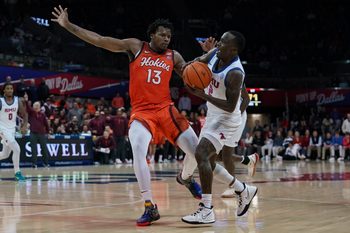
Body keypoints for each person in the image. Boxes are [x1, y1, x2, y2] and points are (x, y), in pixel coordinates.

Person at [51, 6, 201, 226]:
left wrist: (208, 57)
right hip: (142, 111)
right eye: (162, 34)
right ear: (152, 34)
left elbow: (192, 77)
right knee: (138, 152)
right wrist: (68, 25)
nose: (166, 39)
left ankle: (186, 178)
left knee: (197, 152)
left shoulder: (173, 56)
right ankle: (149, 205)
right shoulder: (135, 46)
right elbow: (101, 40)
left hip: (166, 109)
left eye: (169, 36)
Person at [182, 31, 258, 224]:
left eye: (223, 43)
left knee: (201, 154)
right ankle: (243, 189)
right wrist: (197, 62)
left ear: (233, 50)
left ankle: (207, 209)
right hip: (213, 114)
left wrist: (202, 94)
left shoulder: (235, 73)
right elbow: (197, 63)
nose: (219, 45)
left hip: (227, 118)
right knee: (209, 161)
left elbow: (231, 106)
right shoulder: (217, 53)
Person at [0, 82, 27, 181]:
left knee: (5, 154)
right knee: (17, 149)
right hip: (2, 129)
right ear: (4, 90)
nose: (10, 90)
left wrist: (24, 126)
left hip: (12, 130)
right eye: (7, 88)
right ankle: (17, 173)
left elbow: (25, 114)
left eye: (11, 88)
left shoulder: (17, 100)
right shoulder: (1, 101)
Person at [25, 96, 50, 168]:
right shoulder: (31, 113)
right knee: (34, 149)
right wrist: (26, 101)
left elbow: (46, 124)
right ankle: (34, 164)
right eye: (34, 105)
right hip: (33, 133)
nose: (35, 106)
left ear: (39, 106)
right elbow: (28, 108)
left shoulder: (43, 114)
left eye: (36, 105)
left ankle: (46, 163)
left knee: (44, 149)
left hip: (42, 134)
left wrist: (48, 132)